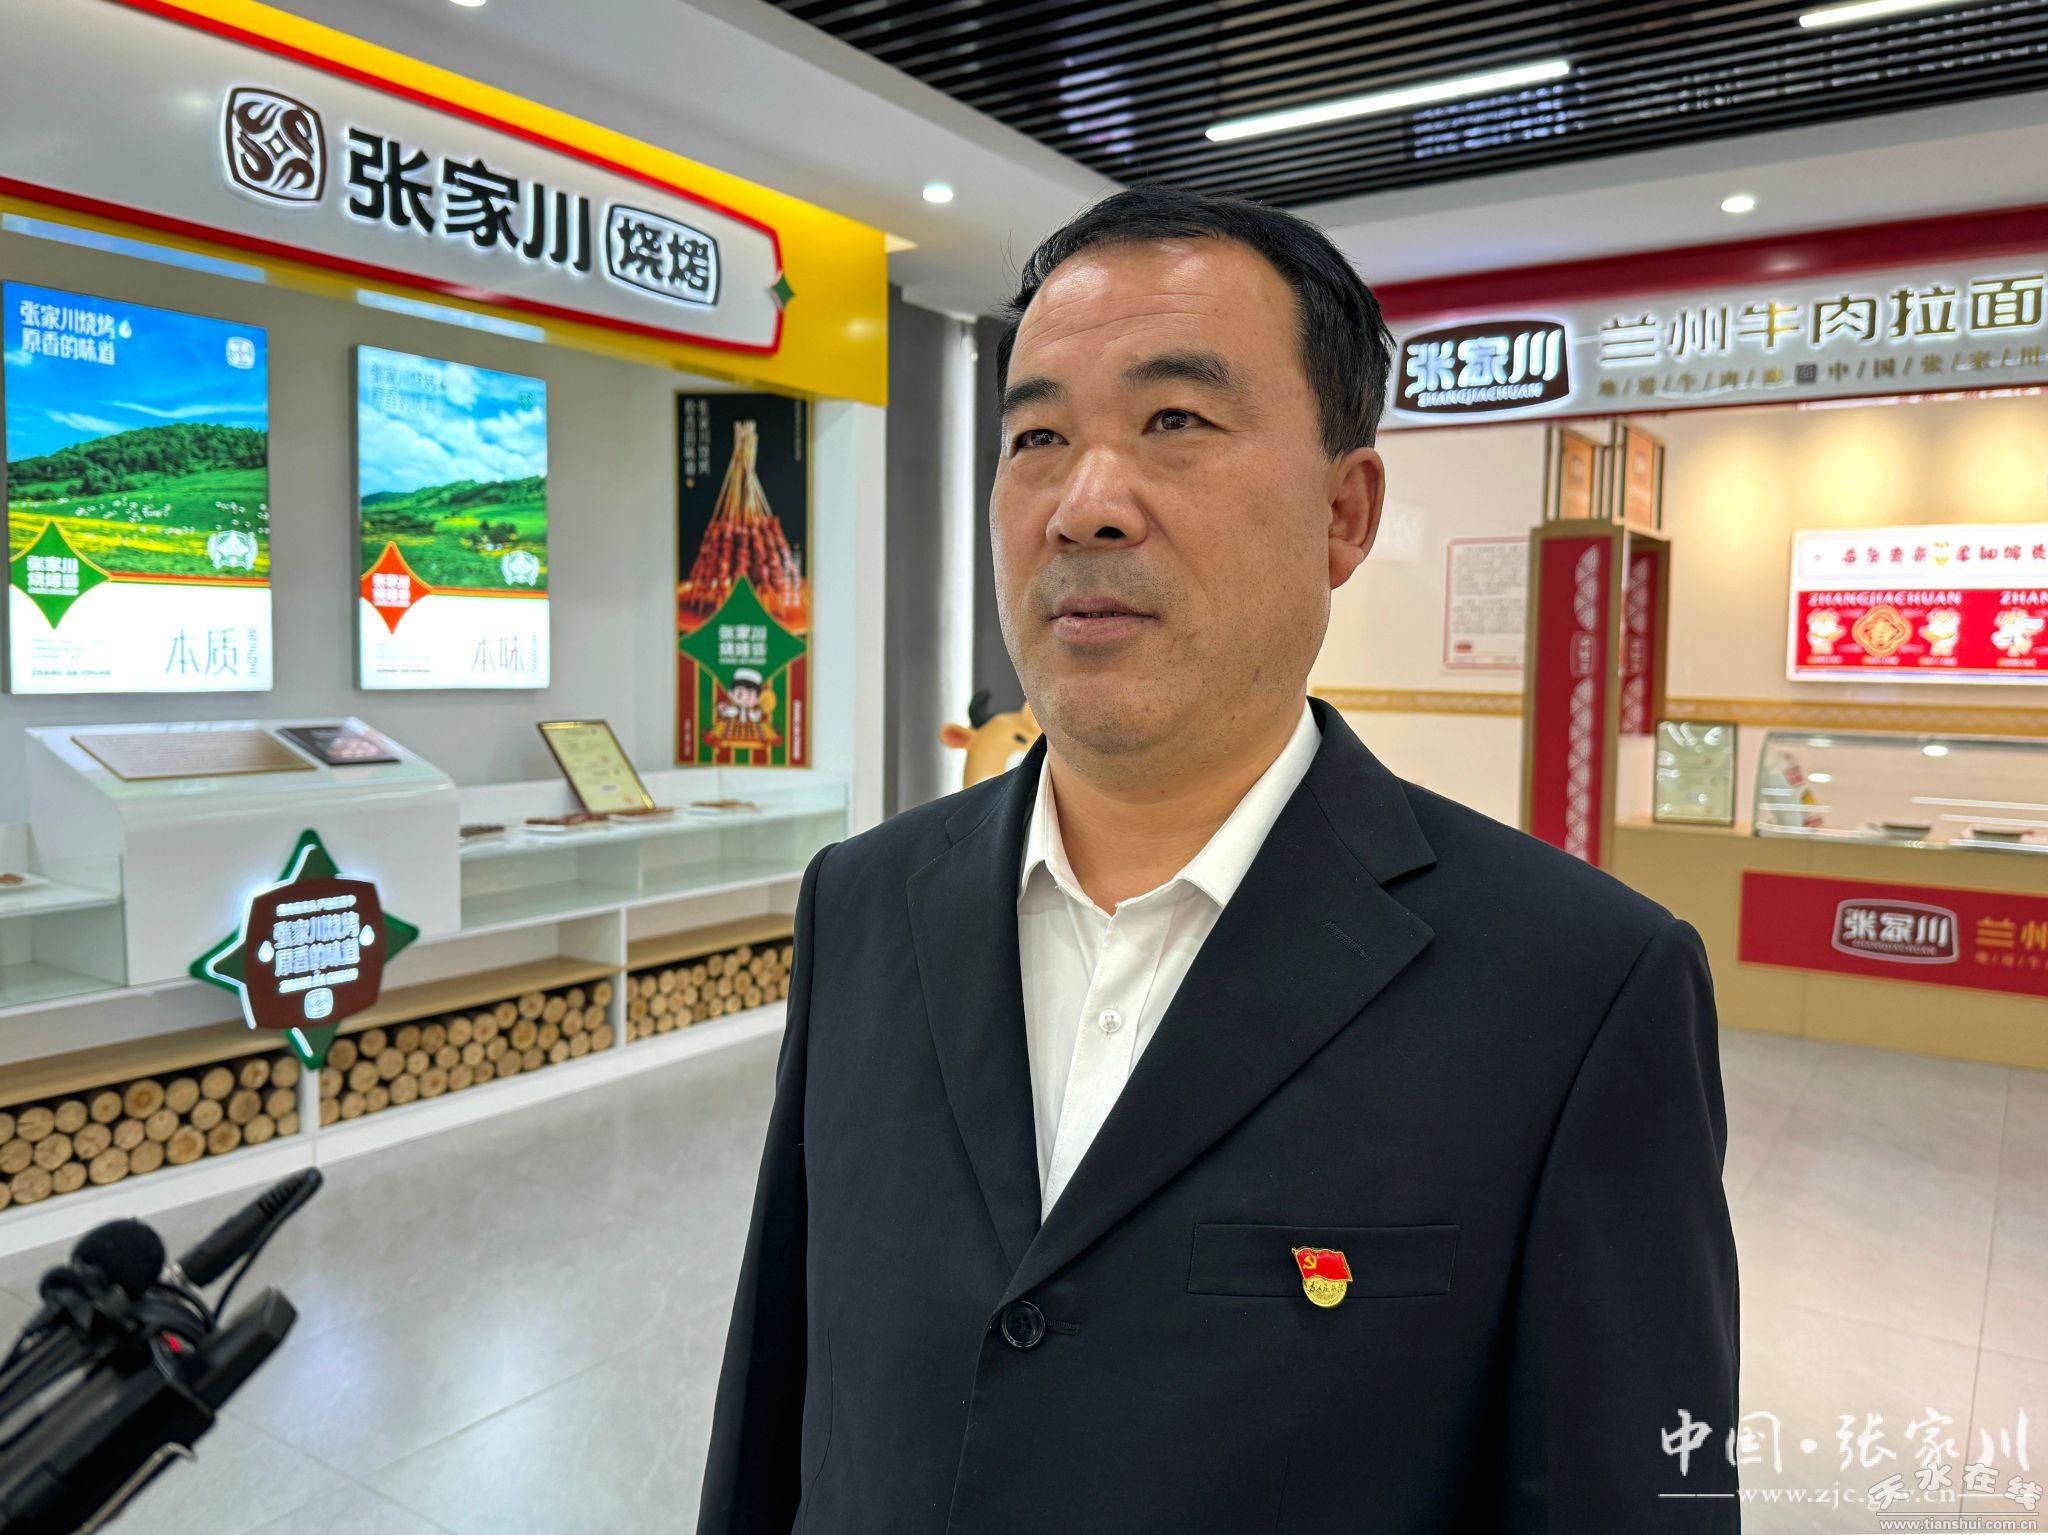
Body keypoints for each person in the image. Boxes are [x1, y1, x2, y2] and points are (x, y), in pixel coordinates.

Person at [697, 186, 1739, 1533]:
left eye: (1176, 421)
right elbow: (781, 1385)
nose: (1085, 505)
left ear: (1345, 512)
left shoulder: (1579, 990)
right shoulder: (864, 900)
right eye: (1036, 437)